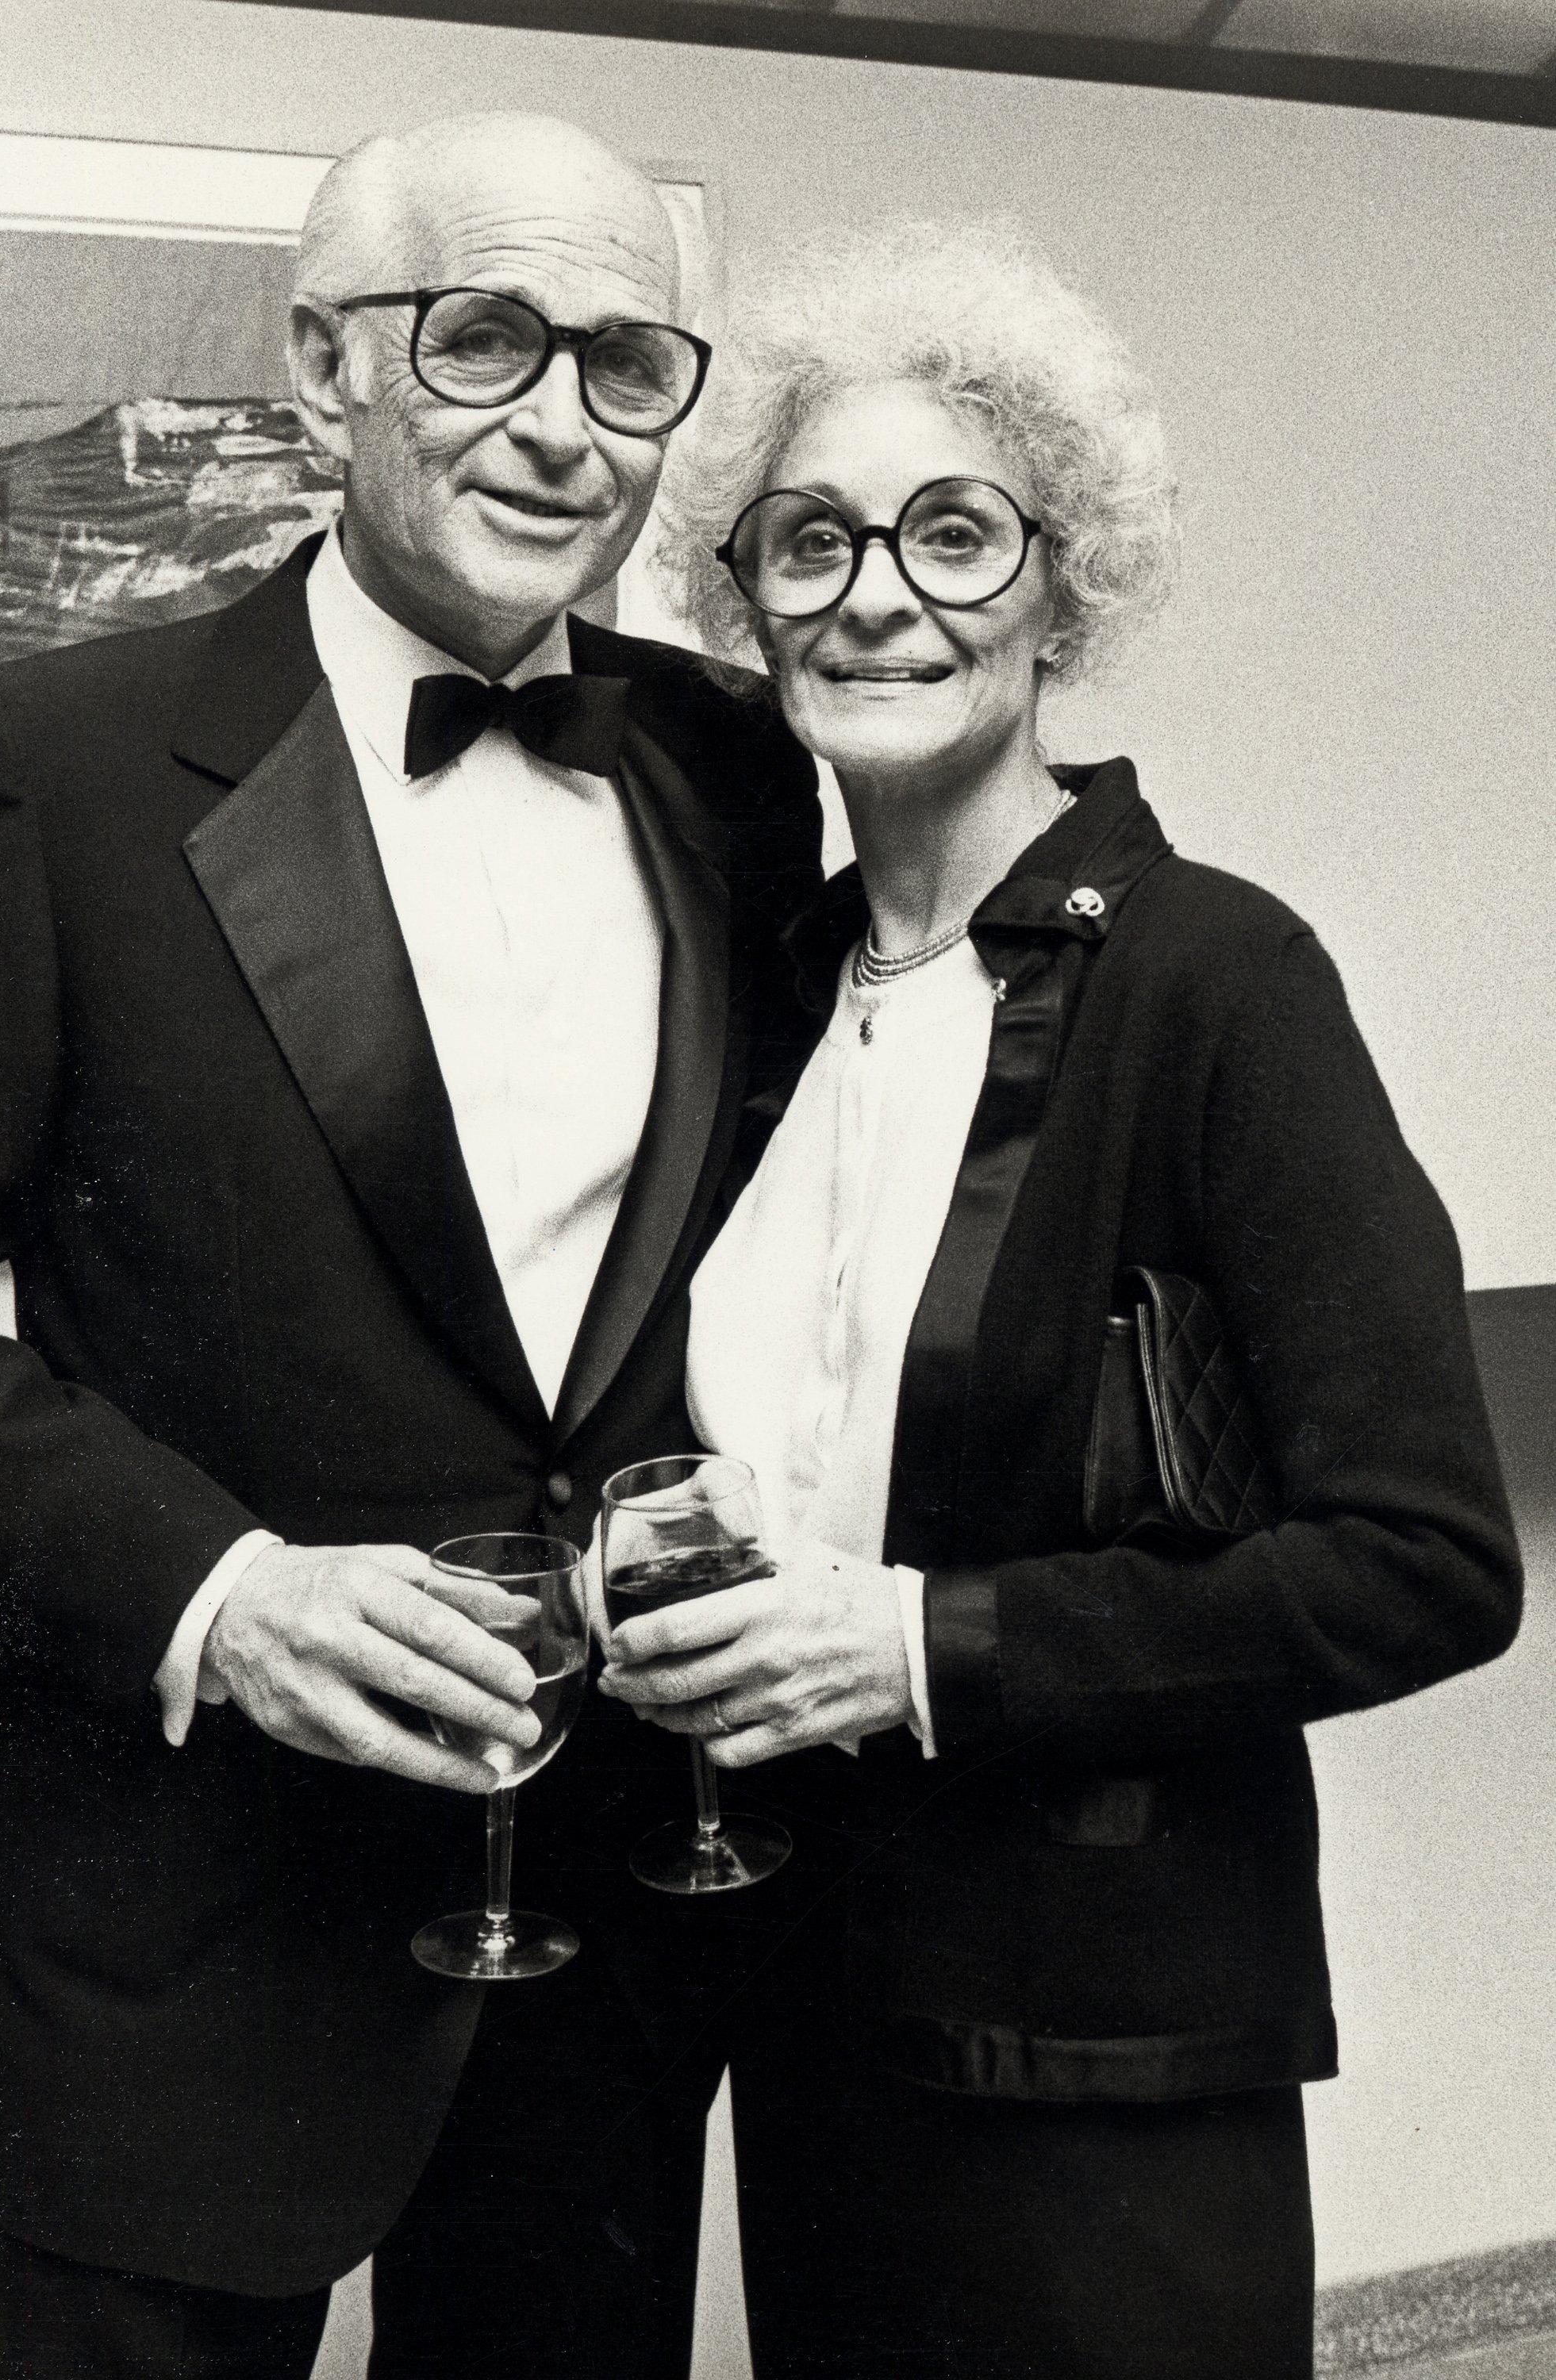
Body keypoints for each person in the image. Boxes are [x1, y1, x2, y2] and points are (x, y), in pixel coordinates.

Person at [0, 115, 820, 2378]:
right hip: (184, 1900)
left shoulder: (733, 766)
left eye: (627, 364)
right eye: (486, 342)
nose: (562, 424)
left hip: (614, 1888)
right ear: (325, 371)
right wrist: (218, 1597)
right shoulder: (38, 766)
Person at [601, 217, 1523, 2379]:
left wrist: (918, 1644)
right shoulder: (768, 995)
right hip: (815, 2009)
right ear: (747, 608)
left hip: (1106, 2056)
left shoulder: (1218, 979)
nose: (876, 591)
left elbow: (1420, 1565)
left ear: (1061, 581)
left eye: (952, 531)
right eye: (809, 540)